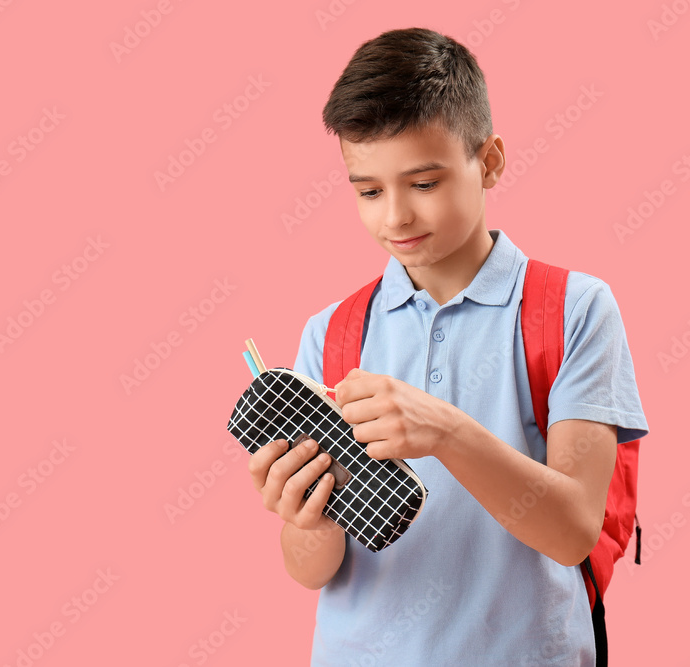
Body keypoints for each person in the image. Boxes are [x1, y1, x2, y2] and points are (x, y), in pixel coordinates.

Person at [246, 27, 649, 666]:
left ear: (488, 162)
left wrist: (446, 432)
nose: (395, 217)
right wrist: (306, 520)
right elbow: (313, 571)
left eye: (424, 183)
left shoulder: (574, 310)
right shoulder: (331, 333)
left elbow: (574, 531)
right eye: (369, 190)